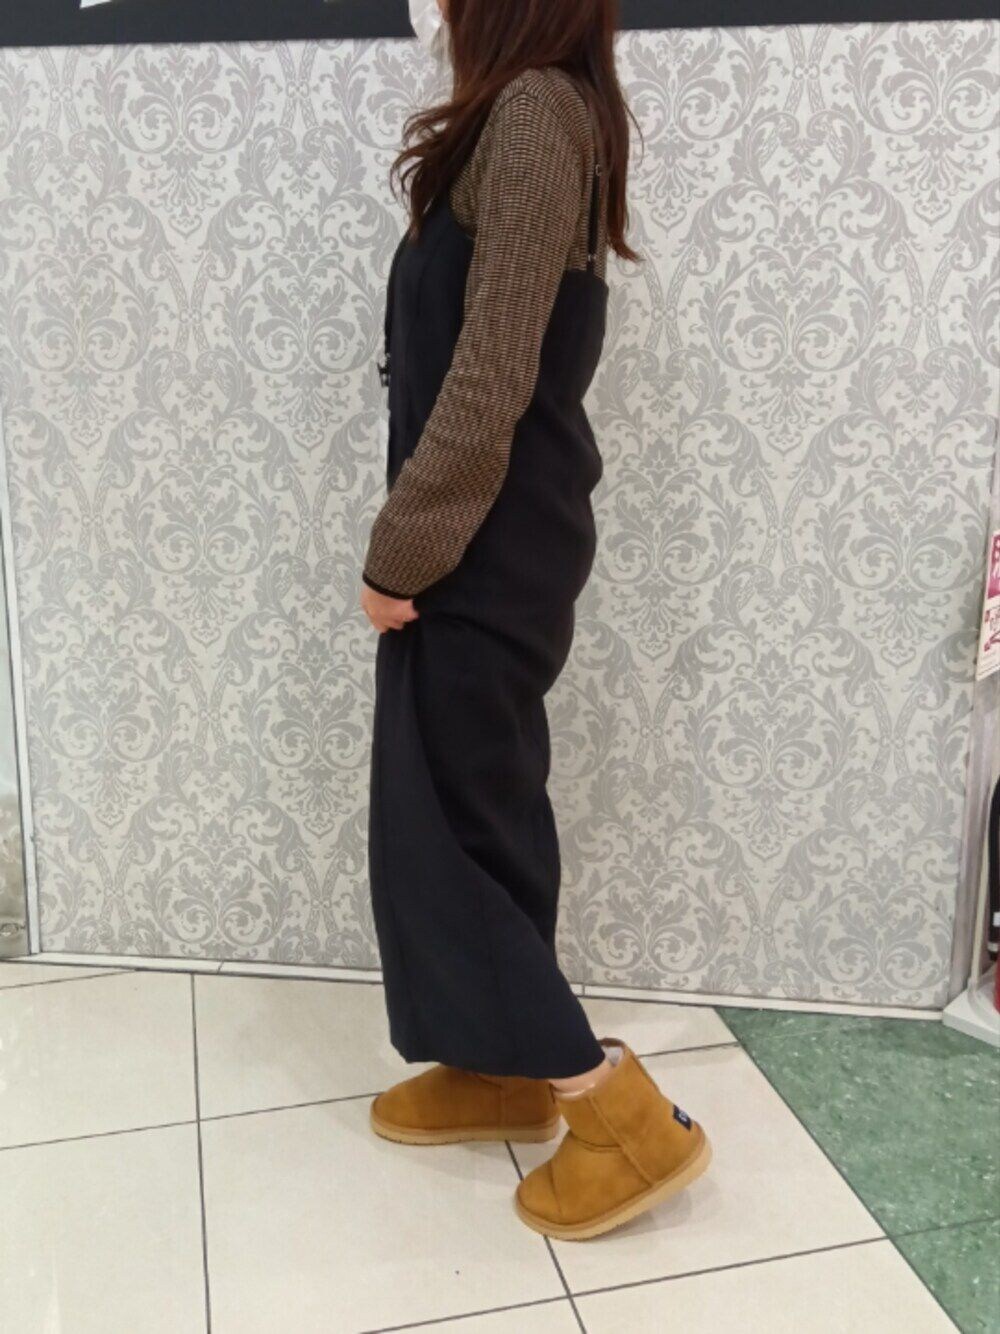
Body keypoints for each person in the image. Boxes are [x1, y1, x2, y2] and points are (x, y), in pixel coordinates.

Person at [361, 0, 711, 1241]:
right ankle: (495, 1064)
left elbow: (491, 372)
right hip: (500, 532)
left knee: (444, 832)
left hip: (483, 543)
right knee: (483, 808)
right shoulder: (540, 112)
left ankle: (617, 1114)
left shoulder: (529, 116)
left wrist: (404, 547)